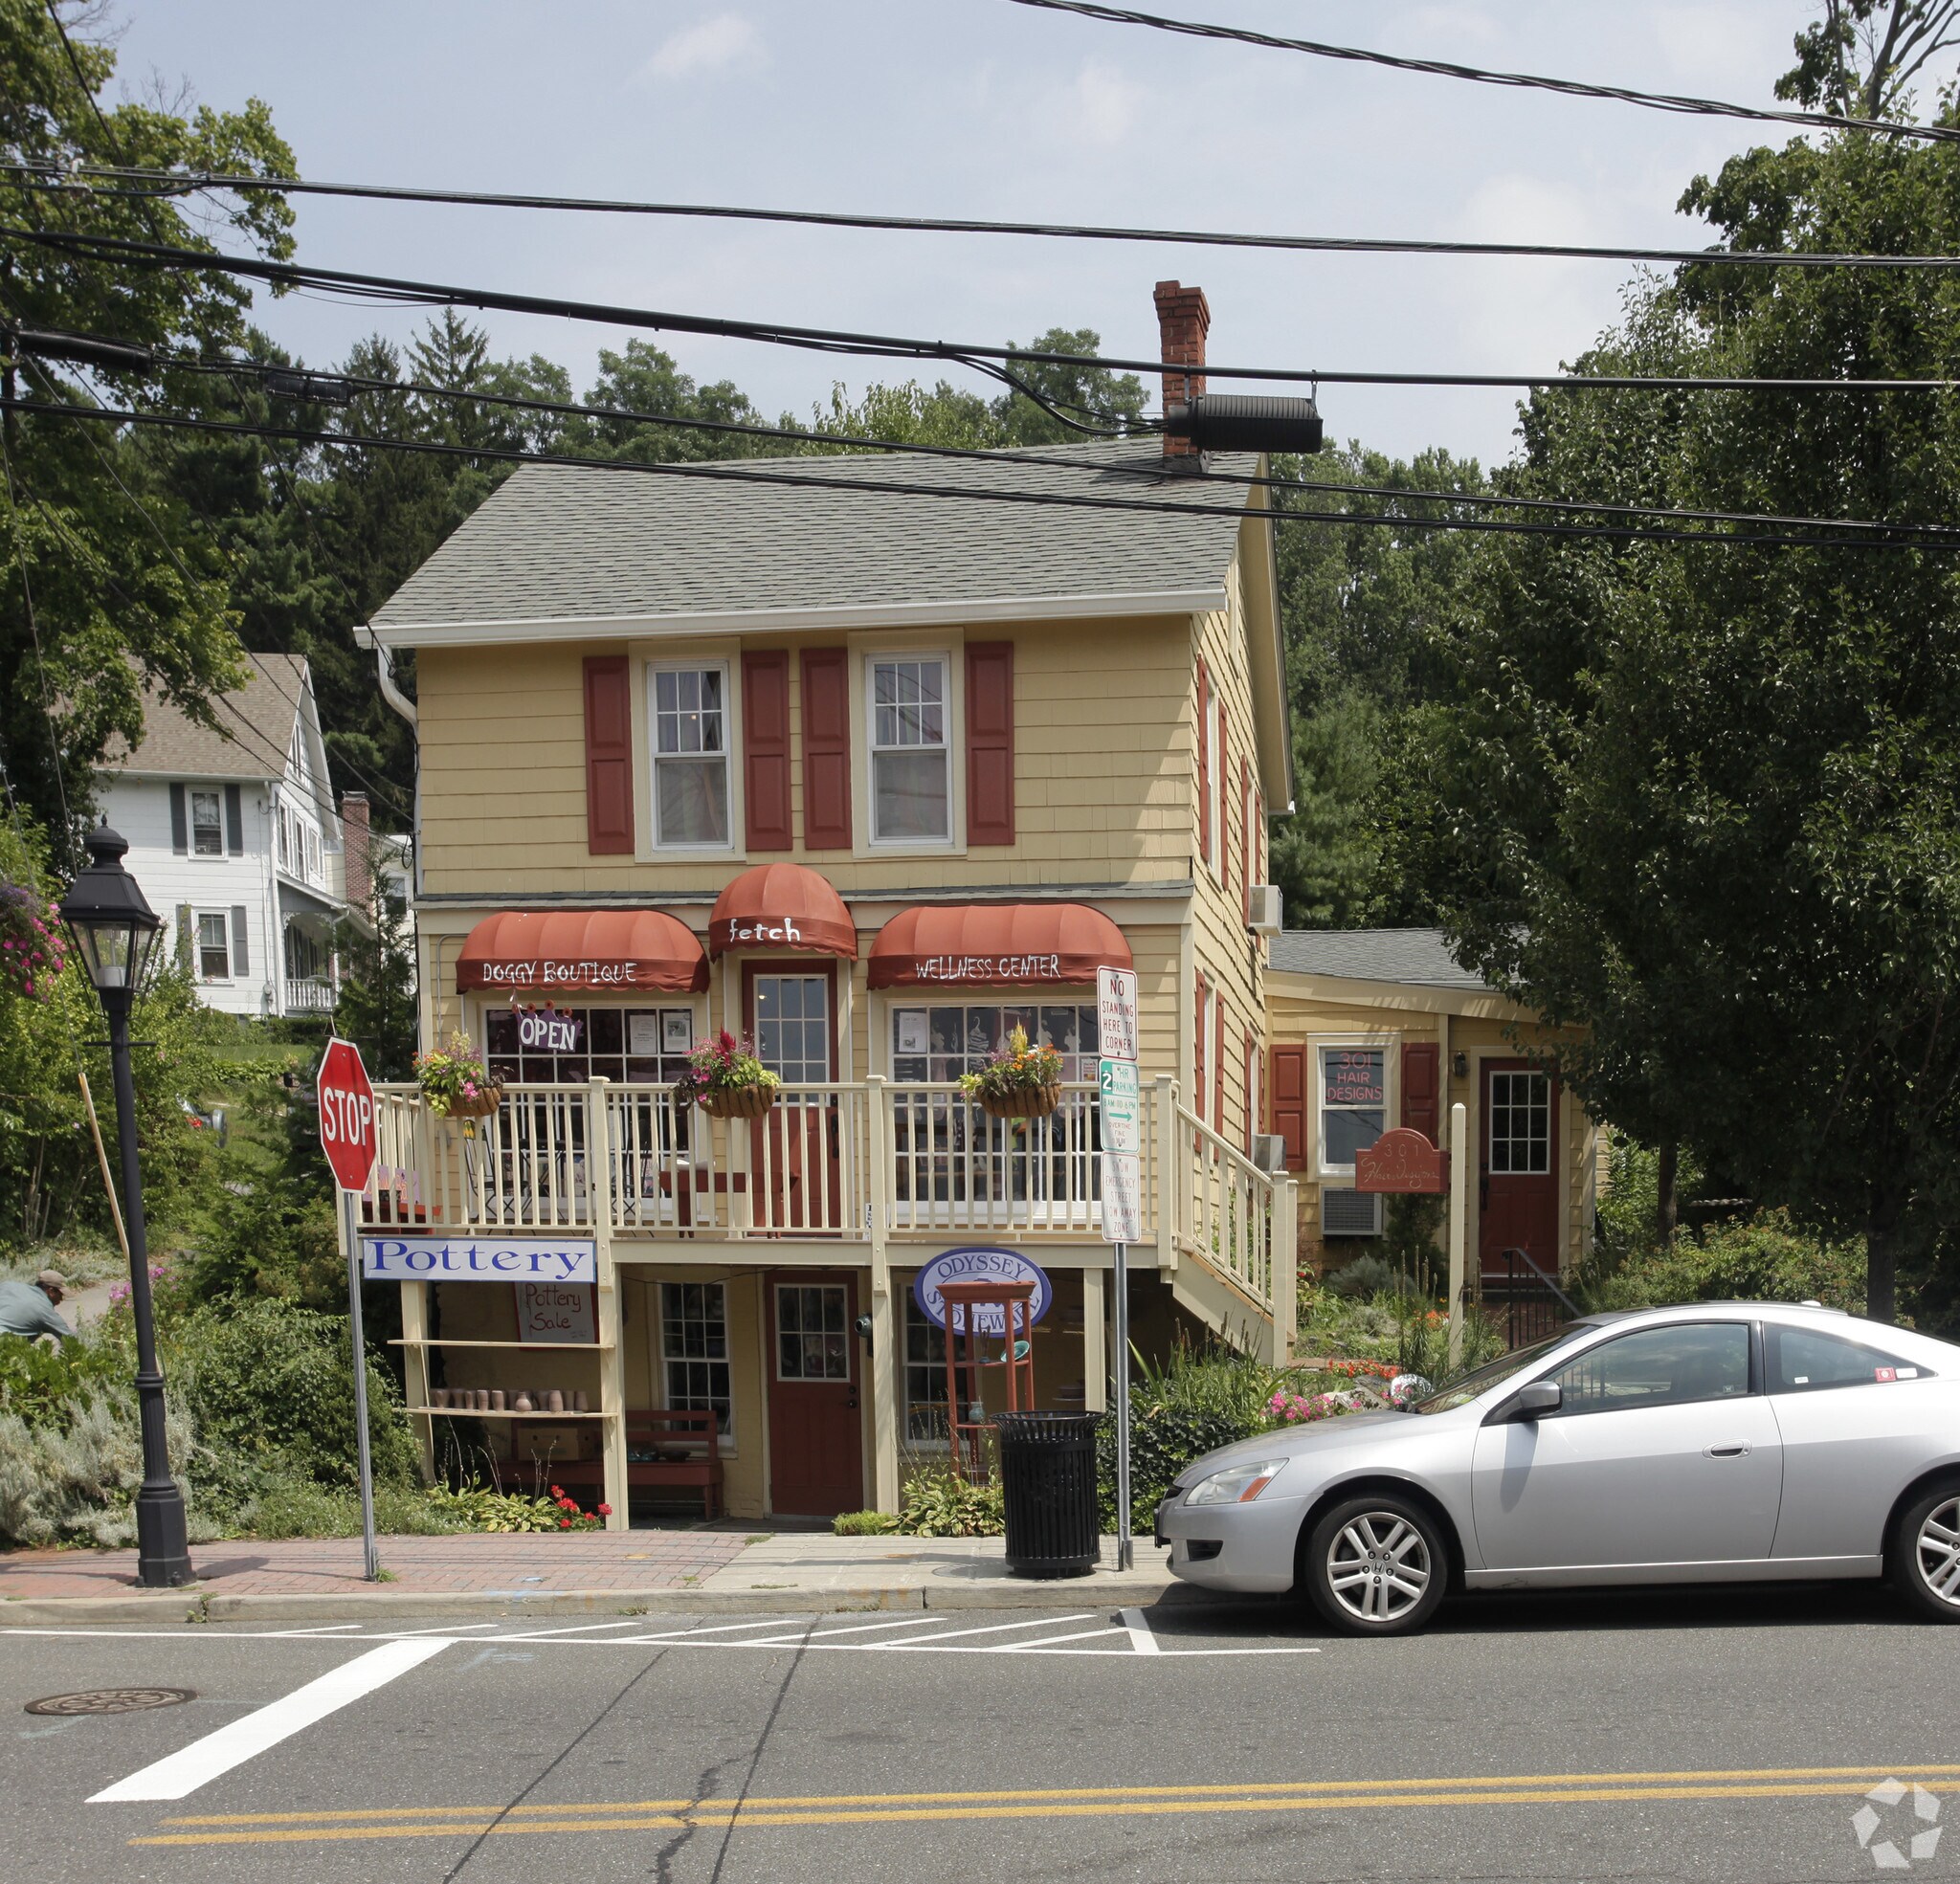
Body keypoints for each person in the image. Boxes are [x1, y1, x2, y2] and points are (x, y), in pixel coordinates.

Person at [0, 1269, 76, 1343]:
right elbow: (71, 1339)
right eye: (60, 1294)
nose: (61, 1299)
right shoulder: (45, 1311)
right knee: (49, 1340)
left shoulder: (8, 1285)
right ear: (51, 1291)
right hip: (3, 1340)